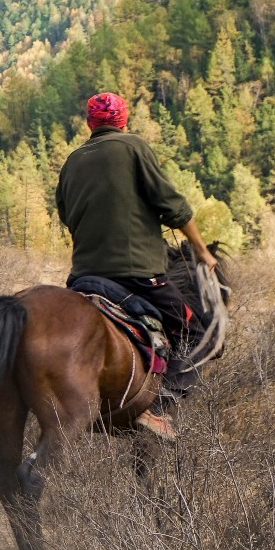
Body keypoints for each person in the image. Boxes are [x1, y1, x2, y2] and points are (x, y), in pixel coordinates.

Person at [54, 92, 218, 438]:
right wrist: (202, 251)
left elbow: (67, 216)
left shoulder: (72, 161)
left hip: (84, 276)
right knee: (197, 332)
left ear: (90, 124)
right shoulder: (134, 147)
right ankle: (155, 408)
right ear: (124, 120)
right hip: (139, 274)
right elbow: (174, 208)